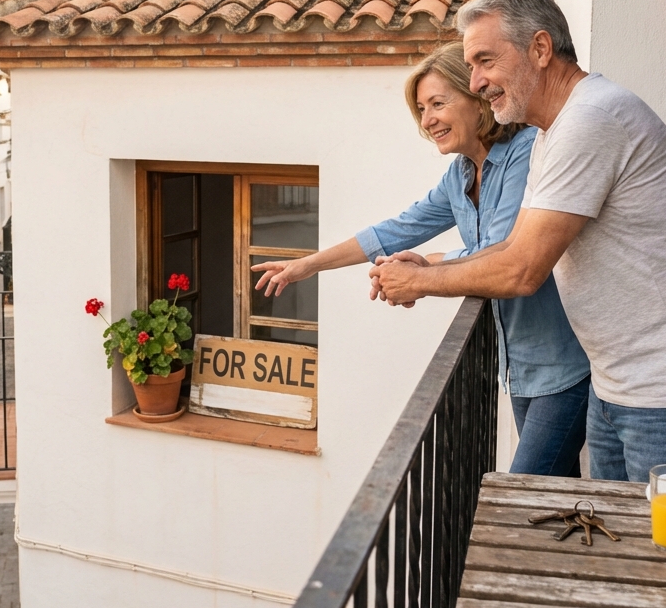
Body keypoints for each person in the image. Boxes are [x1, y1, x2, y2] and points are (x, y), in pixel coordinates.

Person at [369, 0, 666, 487]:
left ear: (540, 48)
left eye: (485, 61)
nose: (477, 81)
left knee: (658, 539)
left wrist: (419, 283)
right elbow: (513, 245)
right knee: (616, 530)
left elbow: (523, 270)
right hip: (617, 381)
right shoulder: (553, 131)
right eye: (471, 66)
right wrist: (432, 266)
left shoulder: (591, 119)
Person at [253, 43, 591, 478]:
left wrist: (426, 268)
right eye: (421, 109)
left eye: (438, 103)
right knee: (554, 490)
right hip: (523, 366)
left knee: (528, 488)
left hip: (565, 365)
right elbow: (398, 229)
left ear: (476, 99)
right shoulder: (461, 174)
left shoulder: (524, 153)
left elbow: (504, 251)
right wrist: (308, 265)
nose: (427, 119)